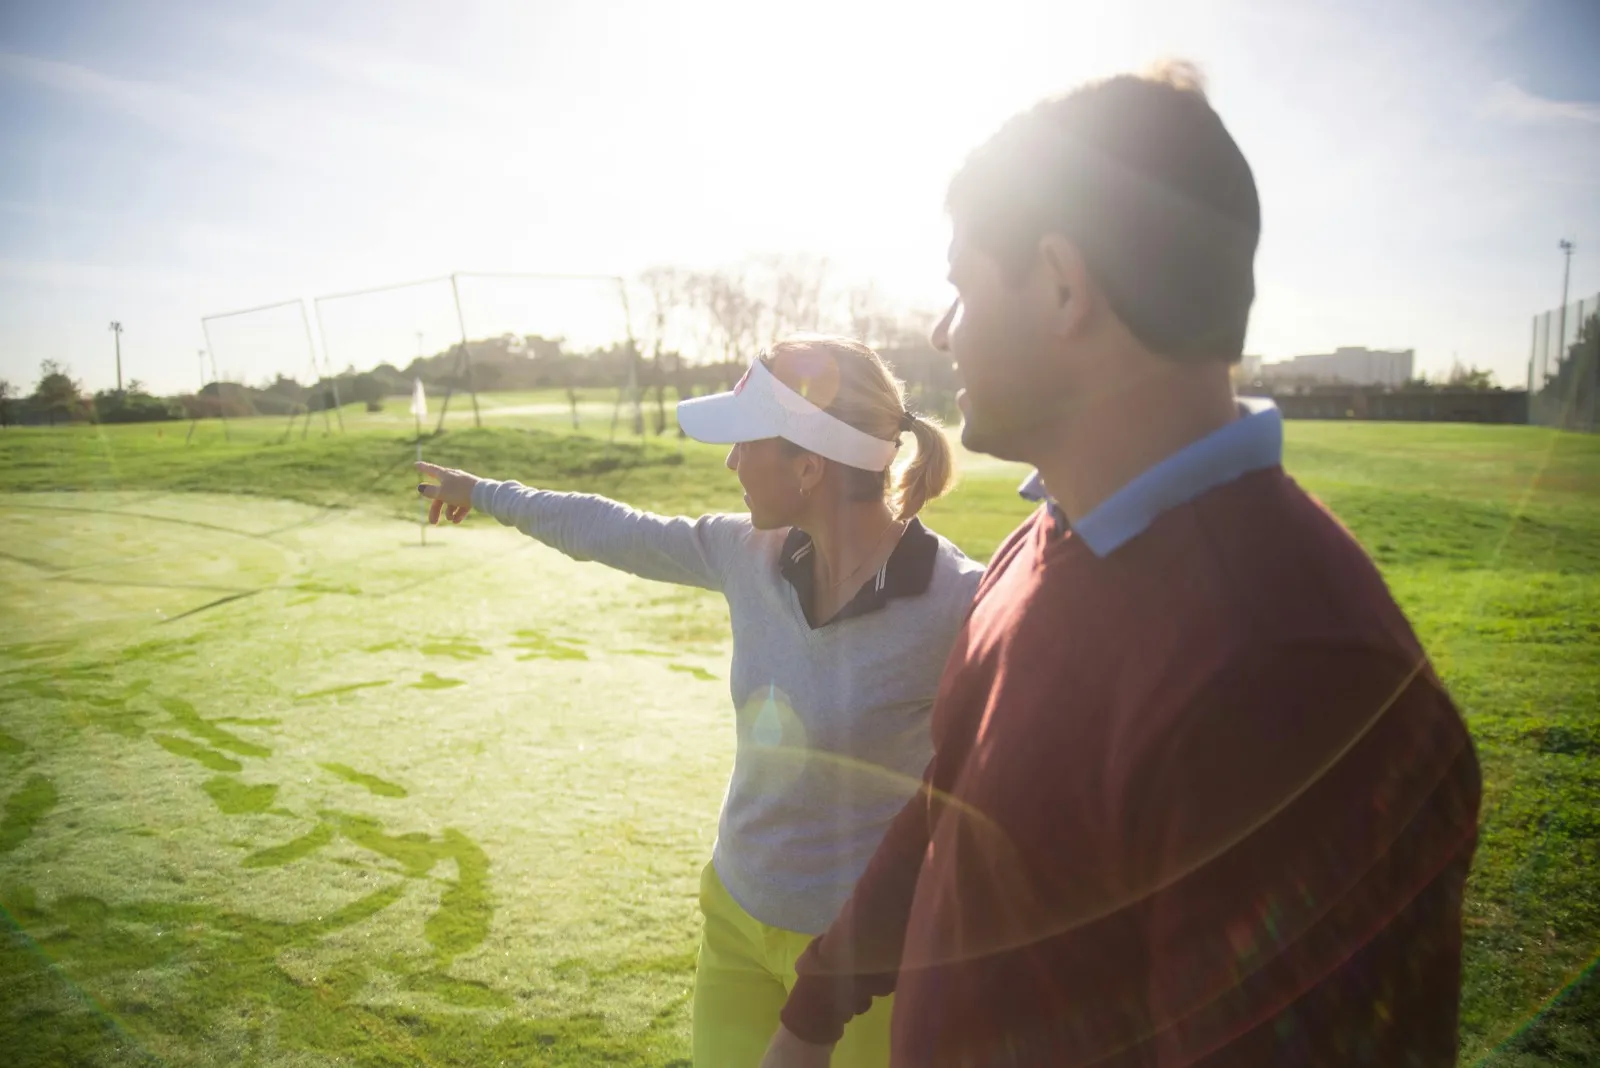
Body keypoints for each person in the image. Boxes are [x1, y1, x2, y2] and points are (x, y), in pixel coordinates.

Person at [761, 63, 1482, 1067]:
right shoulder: (1047, 536)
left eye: (963, 285)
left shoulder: (1297, 677)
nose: (941, 330)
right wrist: (813, 1011)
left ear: (1062, 285)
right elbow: (950, 809)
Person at [416, 335, 984, 1067]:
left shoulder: (959, 602)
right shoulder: (747, 552)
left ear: (808, 467)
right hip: (737, 915)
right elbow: (611, 530)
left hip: (871, 962)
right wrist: (482, 492)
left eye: (745, 443)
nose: (730, 461)